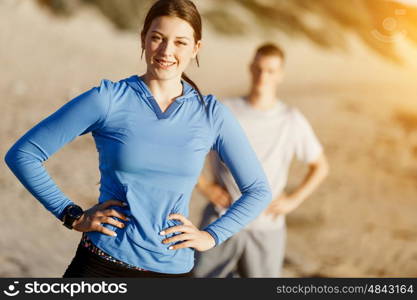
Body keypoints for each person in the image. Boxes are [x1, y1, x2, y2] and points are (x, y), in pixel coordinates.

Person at [3, 0, 272, 278]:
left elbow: (258, 190)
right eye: (157, 38)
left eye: (180, 42)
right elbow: (23, 155)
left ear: (196, 48)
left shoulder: (211, 114)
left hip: (173, 273)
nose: (167, 51)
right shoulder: (107, 99)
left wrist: (211, 236)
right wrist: (72, 215)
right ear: (143, 39)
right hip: (101, 266)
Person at [193, 43, 329, 278]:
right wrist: (205, 187)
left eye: (270, 70)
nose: (262, 76)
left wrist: (293, 201)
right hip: (221, 219)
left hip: (267, 226)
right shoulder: (225, 111)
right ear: (250, 68)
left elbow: (320, 167)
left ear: (281, 75)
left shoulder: (291, 119)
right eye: (258, 68)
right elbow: (188, 152)